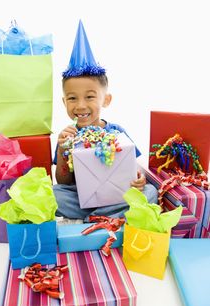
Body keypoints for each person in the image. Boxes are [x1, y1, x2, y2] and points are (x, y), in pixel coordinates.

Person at [53, 20, 158, 221]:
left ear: (106, 100)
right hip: (80, 198)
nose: (81, 105)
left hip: (116, 196)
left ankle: (94, 218)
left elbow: (132, 168)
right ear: (64, 101)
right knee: (53, 193)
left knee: (150, 192)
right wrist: (62, 150)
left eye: (90, 97)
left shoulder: (116, 131)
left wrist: (139, 180)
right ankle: (106, 217)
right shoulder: (68, 135)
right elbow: (63, 181)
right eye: (73, 98)